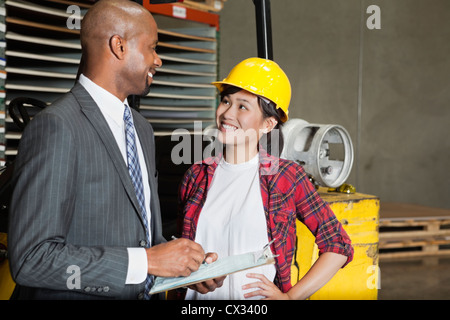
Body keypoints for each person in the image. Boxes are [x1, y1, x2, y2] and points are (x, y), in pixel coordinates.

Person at [8, 0, 220, 300]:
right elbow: (32, 259)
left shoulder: (141, 130)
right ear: (119, 46)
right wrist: (147, 261)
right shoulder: (56, 126)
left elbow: (143, 237)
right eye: (152, 47)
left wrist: (183, 266)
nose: (158, 60)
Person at [178, 57, 354, 300]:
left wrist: (291, 297)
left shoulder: (286, 178)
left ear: (269, 123)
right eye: (226, 101)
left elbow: (338, 244)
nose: (227, 113)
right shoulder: (196, 175)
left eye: (242, 106)